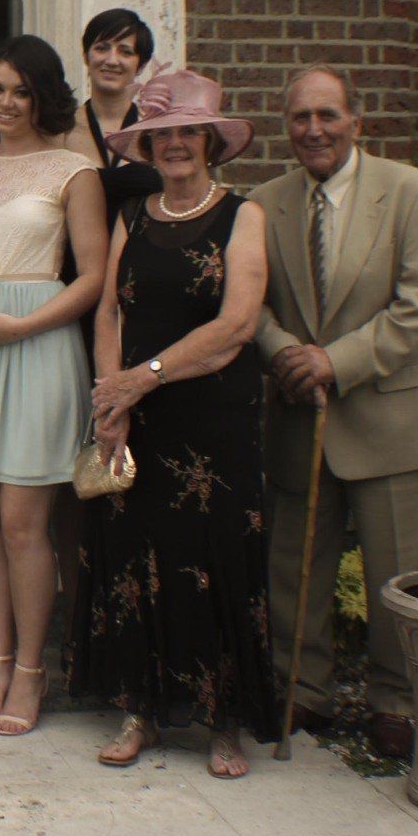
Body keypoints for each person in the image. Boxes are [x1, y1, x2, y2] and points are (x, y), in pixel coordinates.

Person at [67, 69, 277, 778]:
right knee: (136, 560)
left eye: (189, 132)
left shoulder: (244, 216)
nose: (176, 144)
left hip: (213, 422)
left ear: (211, 142)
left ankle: (223, 723)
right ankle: (140, 711)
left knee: (214, 563)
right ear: (148, 147)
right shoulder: (132, 215)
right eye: (163, 134)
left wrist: (145, 377)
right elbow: (108, 312)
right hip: (138, 419)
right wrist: (112, 399)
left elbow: (237, 324)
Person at [255, 65, 418, 761]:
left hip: (393, 419)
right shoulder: (265, 204)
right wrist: (286, 352)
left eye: (327, 115)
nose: (314, 130)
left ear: (356, 121)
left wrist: (334, 361)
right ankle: (300, 688)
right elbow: (251, 303)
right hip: (299, 416)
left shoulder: (414, 193)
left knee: (398, 575)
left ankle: (396, 702)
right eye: (300, 118)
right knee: (294, 569)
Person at [0, 35, 106, 737]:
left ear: (44, 97)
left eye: (21, 91)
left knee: (22, 523)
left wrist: (24, 326)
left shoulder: (76, 169)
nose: (5, 103)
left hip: (38, 343)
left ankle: (33, 670)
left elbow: (93, 277)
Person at [63, 9, 163, 221]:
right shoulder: (60, 130)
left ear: (141, 65)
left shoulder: (156, 132)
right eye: (102, 48)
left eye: (125, 52)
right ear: (86, 56)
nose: (112, 60)